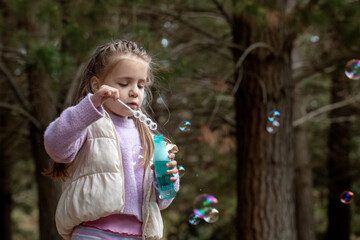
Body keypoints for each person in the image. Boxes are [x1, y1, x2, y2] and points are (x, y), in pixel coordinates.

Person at [44, 40, 180, 240]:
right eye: (124, 84)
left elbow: (162, 202)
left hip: (138, 235)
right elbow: (55, 146)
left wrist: (169, 181)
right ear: (97, 85)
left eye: (141, 85)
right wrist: (90, 105)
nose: (134, 91)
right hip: (93, 232)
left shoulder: (150, 138)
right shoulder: (87, 124)